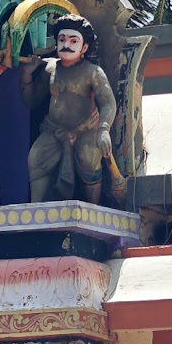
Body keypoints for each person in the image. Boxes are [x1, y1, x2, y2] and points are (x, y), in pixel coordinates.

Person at [20, 15, 117, 204]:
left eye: (74, 41)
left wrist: (103, 129)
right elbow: (31, 101)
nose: (66, 45)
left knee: (89, 160)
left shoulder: (93, 72)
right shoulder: (49, 68)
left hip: (85, 131)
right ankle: (36, 208)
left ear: (84, 48)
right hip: (53, 131)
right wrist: (25, 76)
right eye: (62, 39)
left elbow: (108, 103)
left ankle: (93, 208)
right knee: (36, 159)